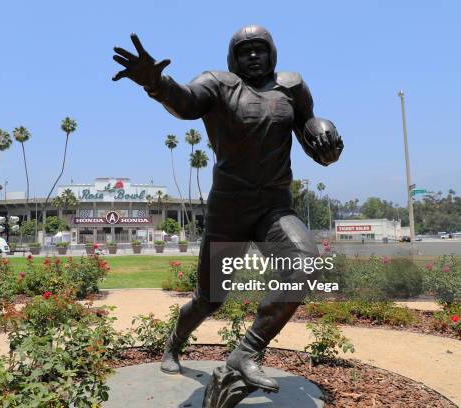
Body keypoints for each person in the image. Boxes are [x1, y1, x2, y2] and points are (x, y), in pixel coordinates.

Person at [113, 25, 343, 393]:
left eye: (260, 49)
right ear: (232, 58)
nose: (254, 56)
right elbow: (186, 102)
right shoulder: (218, 84)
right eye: (245, 51)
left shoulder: (293, 86)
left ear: (273, 53)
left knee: (304, 267)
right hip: (229, 210)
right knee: (209, 299)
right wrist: (156, 84)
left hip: (274, 207)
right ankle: (174, 342)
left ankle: (246, 352)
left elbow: (307, 126)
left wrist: (325, 140)